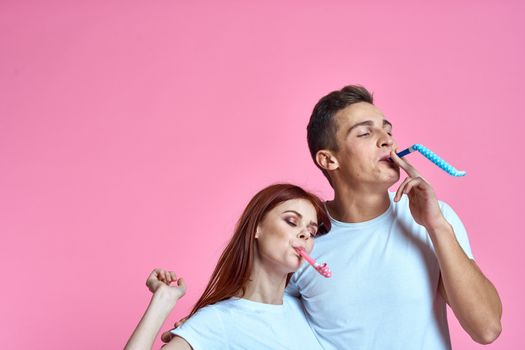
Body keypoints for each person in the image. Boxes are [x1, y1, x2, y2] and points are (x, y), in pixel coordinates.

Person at [285, 85, 502, 349]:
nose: (388, 141)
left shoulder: (436, 218)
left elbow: (486, 328)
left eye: (388, 131)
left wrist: (437, 227)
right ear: (329, 160)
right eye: (365, 133)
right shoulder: (301, 238)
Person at [125, 183, 331, 350]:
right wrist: (163, 300)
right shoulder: (217, 320)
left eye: (311, 232)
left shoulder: (307, 308)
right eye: (292, 221)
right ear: (256, 229)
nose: (305, 235)